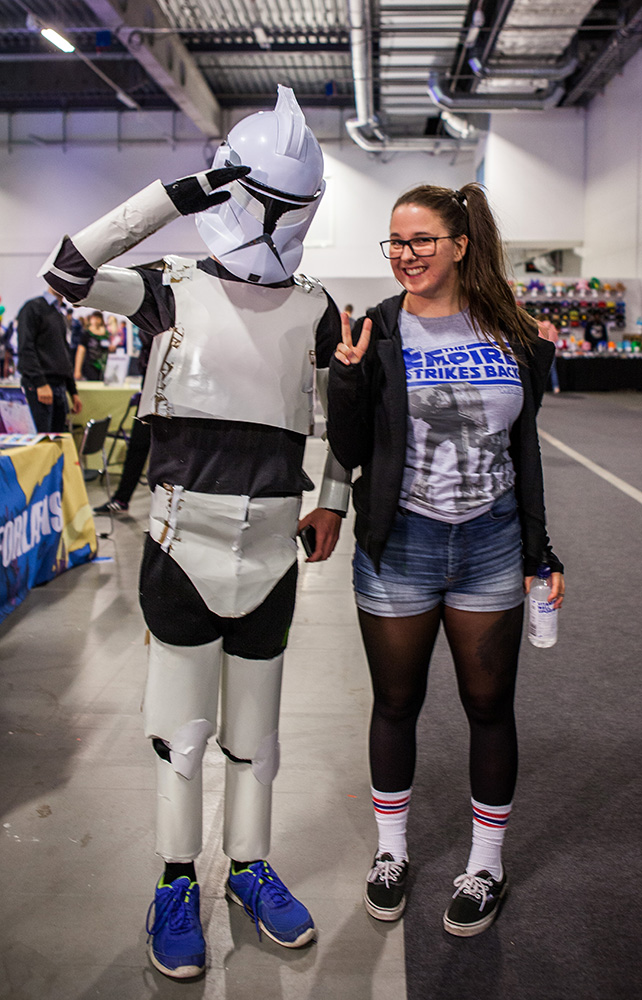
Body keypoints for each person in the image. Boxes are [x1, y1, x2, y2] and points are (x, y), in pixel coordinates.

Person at [41, 86, 350, 979]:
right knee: (181, 739)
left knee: (259, 739)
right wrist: (183, 192)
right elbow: (66, 271)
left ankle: (248, 870)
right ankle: (176, 883)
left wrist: (330, 499)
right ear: (235, 188)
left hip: (273, 552)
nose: (280, 223)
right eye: (270, 200)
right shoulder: (167, 291)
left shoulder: (319, 309)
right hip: (182, 547)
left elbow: (339, 421)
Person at [327, 183, 564, 937]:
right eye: (395, 242)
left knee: (489, 707)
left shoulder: (513, 335)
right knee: (396, 705)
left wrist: (538, 552)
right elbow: (350, 449)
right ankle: (391, 853)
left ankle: (485, 863)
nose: (405, 255)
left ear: (460, 245)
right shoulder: (379, 329)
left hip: (490, 543)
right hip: (401, 546)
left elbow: (524, 453)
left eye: (421, 240)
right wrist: (349, 378)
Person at [17, 285, 82, 431]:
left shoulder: (59, 314)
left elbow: (63, 353)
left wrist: (73, 392)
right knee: (43, 442)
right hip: (40, 387)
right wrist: (40, 383)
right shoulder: (32, 308)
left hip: (59, 387)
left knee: (58, 442)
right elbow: (26, 348)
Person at [93, 393, 150, 514]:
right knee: (136, 450)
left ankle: (164, 515)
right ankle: (121, 500)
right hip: (148, 401)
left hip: (172, 405)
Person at [74, 310, 115, 381]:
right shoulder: (86, 334)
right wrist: (77, 370)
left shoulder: (106, 334)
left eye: (98, 318)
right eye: (94, 318)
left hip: (105, 367)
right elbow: (80, 351)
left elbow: (109, 348)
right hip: (90, 366)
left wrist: (111, 348)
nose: (96, 320)